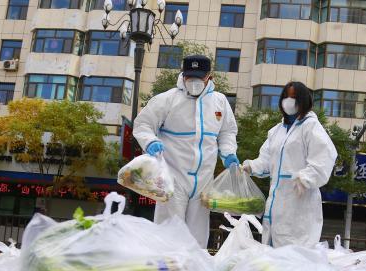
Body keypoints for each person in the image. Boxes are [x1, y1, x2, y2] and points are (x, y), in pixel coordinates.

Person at [133, 55, 239, 248]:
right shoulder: (167, 99)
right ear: (183, 75)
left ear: (210, 77)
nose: (194, 82)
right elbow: (143, 125)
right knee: (168, 233)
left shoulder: (220, 102)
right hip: (173, 177)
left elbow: (227, 132)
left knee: (197, 237)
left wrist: (228, 152)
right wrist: (150, 142)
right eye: (190, 77)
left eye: (199, 77)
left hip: (204, 180)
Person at [241, 81, 337, 248]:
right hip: (276, 204)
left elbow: (325, 157)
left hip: (299, 202)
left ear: (303, 100)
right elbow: (266, 160)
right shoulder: (276, 131)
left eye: (293, 97)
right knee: (272, 253)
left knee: (294, 254)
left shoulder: (310, 127)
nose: (289, 101)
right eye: (286, 96)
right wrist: (251, 166)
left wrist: (306, 177)